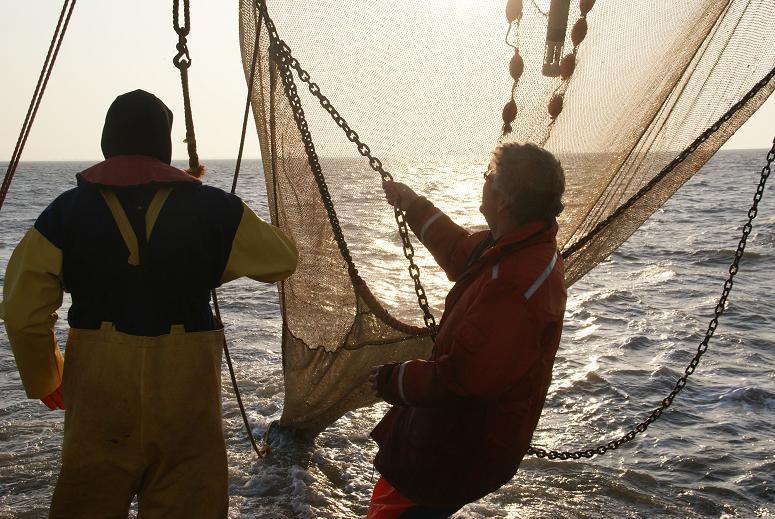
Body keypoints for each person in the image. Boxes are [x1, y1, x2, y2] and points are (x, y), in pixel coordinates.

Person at [0, 89, 298, 518]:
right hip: (185, 395)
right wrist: (205, 251)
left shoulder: (64, 212)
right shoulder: (214, 208)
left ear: (107, 142)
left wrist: (47, 376)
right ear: (163, 146)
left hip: (100, 395)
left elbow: (22, 311)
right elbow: (281, 260)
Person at [367, 142, 567, 518]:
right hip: (452, 442)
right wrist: (411, 203)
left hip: (455, 453)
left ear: (504, 199)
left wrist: (393, 380)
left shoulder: (514, 286)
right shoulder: (513, 245)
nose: (483, 181)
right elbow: (460, 249)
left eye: (488, 177)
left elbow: (461, 378)